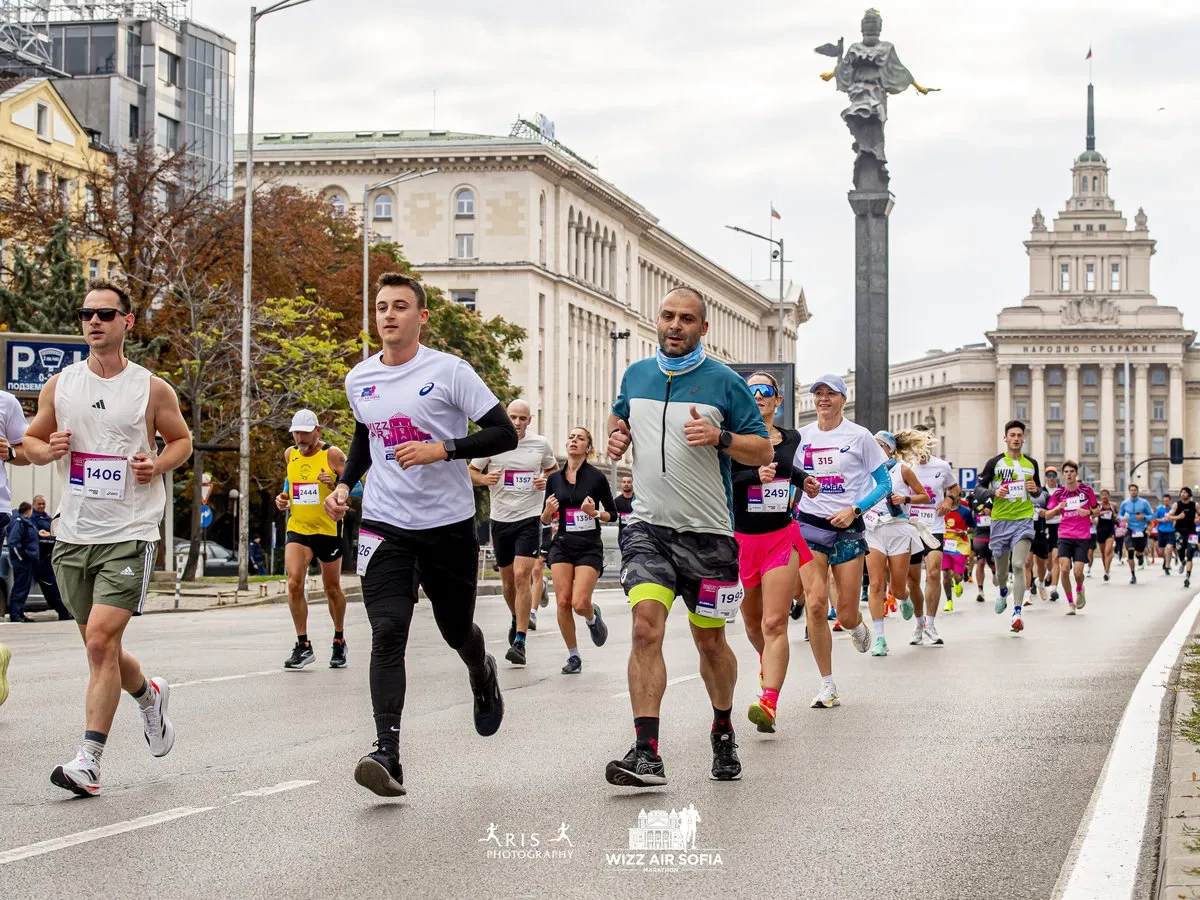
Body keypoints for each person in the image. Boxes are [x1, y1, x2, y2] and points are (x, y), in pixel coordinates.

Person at [324, 271, 516, 798]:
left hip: (447, 525)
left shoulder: (450, 371)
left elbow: (503, 432)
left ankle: (481, 669)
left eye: (400, 306)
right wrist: (344, 485)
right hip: (385, 524)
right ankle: (387, 752)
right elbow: (365, 436)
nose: (389, 315)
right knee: (388, 631)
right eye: (382, 306)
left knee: (456, 629)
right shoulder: (360, 378)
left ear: (421, 316)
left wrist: (444, 449)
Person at [22, 278, 192, 796]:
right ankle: (149, 696)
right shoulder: (61, 385)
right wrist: (46, 449)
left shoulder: (151, 388)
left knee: (99, 641)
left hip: (130, 532)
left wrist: (156, 464)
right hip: (74, 533)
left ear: (127, 322)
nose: (93, 321)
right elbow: (30, 441)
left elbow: (181, 441)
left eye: (104, 314)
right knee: (102, 649)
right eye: (86, 314)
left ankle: (88, 761)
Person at [604, 286, 772, 787]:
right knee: (644, 629)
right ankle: (647, 753)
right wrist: (618, 435)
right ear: (657, 320)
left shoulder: (725, 382)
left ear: (703, 327)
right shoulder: (637, 374)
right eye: (668, 316)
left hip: (709, 534)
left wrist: (720, 438)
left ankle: (722, 728)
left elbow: (762, 450)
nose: (675, 325)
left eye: (686, 318)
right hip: (648, 528)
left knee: (710, 641)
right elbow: (620, 415)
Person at [796, 374, 891, 707]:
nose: (823, 398)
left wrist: (855, 510)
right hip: (809, 526)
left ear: (843, 399)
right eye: (818, 393)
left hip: (848, 529)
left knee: (846, 613)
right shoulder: (802, 437)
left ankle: (856, 624)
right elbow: (792, 479)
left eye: (830, 393)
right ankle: (827, 684)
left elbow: (885, 485)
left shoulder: (860, 436)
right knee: (816, 604)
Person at [731, 372, 816, 728]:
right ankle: (767, 660)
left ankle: (768, 702)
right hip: (742, 540)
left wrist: (803, 480)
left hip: (781, 537)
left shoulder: (791, 437)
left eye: (765, 390)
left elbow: (785, 467)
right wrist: (754, 477)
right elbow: (724, 480)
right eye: (751, 391)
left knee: (774, 621)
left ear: (778, 400)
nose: (758, 396)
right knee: (753, 624)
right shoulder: (734, 437)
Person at [469, 399, 558, 666]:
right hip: (500, 519)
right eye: (513, 417)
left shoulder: (540, 444)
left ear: (529, 420)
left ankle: (520, 641)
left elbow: (553, 471)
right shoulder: (493, 441)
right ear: (506, 417)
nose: (517, 422)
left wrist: (545, 481)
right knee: (508, 583)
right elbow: (471, 471)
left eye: (522, 418)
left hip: (529, 518)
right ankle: (516, 616)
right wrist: (484, 479)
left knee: (522, 575)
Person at [274, 410, 349, 670]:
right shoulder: (290, 454)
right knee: (294, 582)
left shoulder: (332, 454)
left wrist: (335, 482)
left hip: (328, 530)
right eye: (296, 433)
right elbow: (290, 481)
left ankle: (339, 639)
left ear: (317, 430)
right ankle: (303, 645)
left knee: (332, 588)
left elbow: (357, 487)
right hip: (299, 528)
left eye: (305, 433)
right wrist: (283, 497)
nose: (300, 438)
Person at [541, 426, 614, 674]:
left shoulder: (596, 477)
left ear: (588, 447)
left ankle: (592, 618)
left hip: (588, 547)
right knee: (563, 602)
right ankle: (574, 656)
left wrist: (594, 513)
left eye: (580, 438)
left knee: (580, 603)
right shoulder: (554, 479)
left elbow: (612, 514)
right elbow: (544, 519)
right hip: (562, 544)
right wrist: (548, 513)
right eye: (571, 437)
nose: (574, 441)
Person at [864, 430, 928, 657]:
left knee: (898, 588)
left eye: (880, 445)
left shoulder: (902, 470)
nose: (875, 449)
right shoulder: (865, 470)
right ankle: (880, 639)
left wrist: (905, 498)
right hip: (874, 529)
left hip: (898, 529)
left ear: (890, 450)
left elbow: (924, 496)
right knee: (876, 584)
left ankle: (905, 598)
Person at [974, 420, 1041, 634]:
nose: (1016, 439)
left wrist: (1035, 489)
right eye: (1012, 435)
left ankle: (1017, 614)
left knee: (1019, 564)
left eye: (1019, 435)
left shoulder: (1031, 464)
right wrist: (994, 492)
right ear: (1005, 438)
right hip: (1000, 521)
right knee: (1001, 574)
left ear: (1023, 438)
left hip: (1023, 519)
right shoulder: (995, 463)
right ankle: (1003, 590)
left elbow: (1039, 493)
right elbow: (978, 490)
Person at [1044, 461, 1099, 614]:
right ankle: (1070, 603)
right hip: (1064, 535)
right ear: (1063, 475)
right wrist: (1057, 508)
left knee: (1078, 572)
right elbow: (1047, 515)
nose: (1069, 474)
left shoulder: (1086, 491)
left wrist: (1088, 512)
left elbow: (1097, 511)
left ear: (1076, 474)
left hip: (1081, 536)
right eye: (1066, 472)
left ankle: (1080, 589)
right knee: (1064, 569)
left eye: (1072, 471)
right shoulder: (1059, 493)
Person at [30, 494, 72, 619]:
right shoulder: (31, 520)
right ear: (33, 505)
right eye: (39, 504)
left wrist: (48, 536)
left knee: (53, 588)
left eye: (43, 504)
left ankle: (64, 612)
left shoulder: (48, 519)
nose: (42, 506)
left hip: (48, 560)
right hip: (36, 560)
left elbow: (56, 535)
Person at [7, 503, 41, 622]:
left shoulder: (27, 522)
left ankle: (20, 612)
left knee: (25, 588)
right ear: (28, 510)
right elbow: (13, 542)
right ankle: (15, 614)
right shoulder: (19, 522)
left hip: (29, 561)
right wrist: (21, 557)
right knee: (20, 588)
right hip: (23, 562)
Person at [1119, 484, 1153, 584]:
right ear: (1129, 491)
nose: (1133, 492)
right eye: (1131, 490)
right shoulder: (1125, 503)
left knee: (1139, 552)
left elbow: (1151, 515)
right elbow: (1120, 515)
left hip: (1141, 530)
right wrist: (1123, 518)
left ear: (1137, 491)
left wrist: (1144, 517)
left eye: (1135, 490)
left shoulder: (1144, 503)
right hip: (1130, 529)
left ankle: (1140, 556)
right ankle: (1133, 575)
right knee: (1130, 550)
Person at [1169, 487, 1197, 589]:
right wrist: (1178, 517)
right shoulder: (1177, 504)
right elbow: (1169, 516)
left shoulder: (1195, 505)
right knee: (1180, 552)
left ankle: (1187, 577)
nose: (1182, 494)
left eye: (1185, 492)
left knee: (1190, 554)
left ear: (1189, 494)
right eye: (1181, 492)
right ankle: (1182, 562)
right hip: (1179, 532)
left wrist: (1198, 519)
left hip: (1191, 533)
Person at [971, 494, 996, 604]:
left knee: (991, 563)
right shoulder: (974, 499)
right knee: (980, 562)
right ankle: (980, 590)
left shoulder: (994, 497)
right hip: (979, 535)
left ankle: (995, 572)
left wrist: (992, 513)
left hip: (992, 535)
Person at [1095, 489, 1117, 581]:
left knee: (1108, 551)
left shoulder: (1113, 505)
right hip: (1100, 530)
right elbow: (1093, 515)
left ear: (1109, 496)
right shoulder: (1098, 505)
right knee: (1103, 553)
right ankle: (1106, 569)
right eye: (1103, 495)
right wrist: (1102, 513)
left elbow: (1116, 515)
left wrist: (1116, 518)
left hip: (1110, 530)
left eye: (1106, 495)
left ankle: (1107, 572)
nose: (1104, 496)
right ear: (1101, 496)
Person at [1155, 493, 1176, 575]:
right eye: (1164, 501)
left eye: (1167, 501)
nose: (1166, 502)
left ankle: (1167, 566)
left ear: (1170, 501)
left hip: (1171, 531)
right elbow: (1155, 518)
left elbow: (1177, 517)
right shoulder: (1159, 509)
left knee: (1169, 548)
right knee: (1161, 552)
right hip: (1161, 531)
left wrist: (1174, 521)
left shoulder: (1173, 509)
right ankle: (1166, 559)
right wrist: (1162, 520)